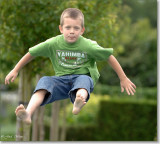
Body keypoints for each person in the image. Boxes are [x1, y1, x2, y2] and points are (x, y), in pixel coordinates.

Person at [5, 8, 136, 124]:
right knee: (44, 81)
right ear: (61, 29)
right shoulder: (53, 43)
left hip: (82, 78)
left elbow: (109, 56)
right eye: (68, 28)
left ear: (82, 30)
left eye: (76, 28)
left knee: (84, 80)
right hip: (61, 81)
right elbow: (32, 53)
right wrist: (15, 70)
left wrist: (123, 78)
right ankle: (28, 113)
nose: (72, 31)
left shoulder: (88, 45)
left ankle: (78, 102)